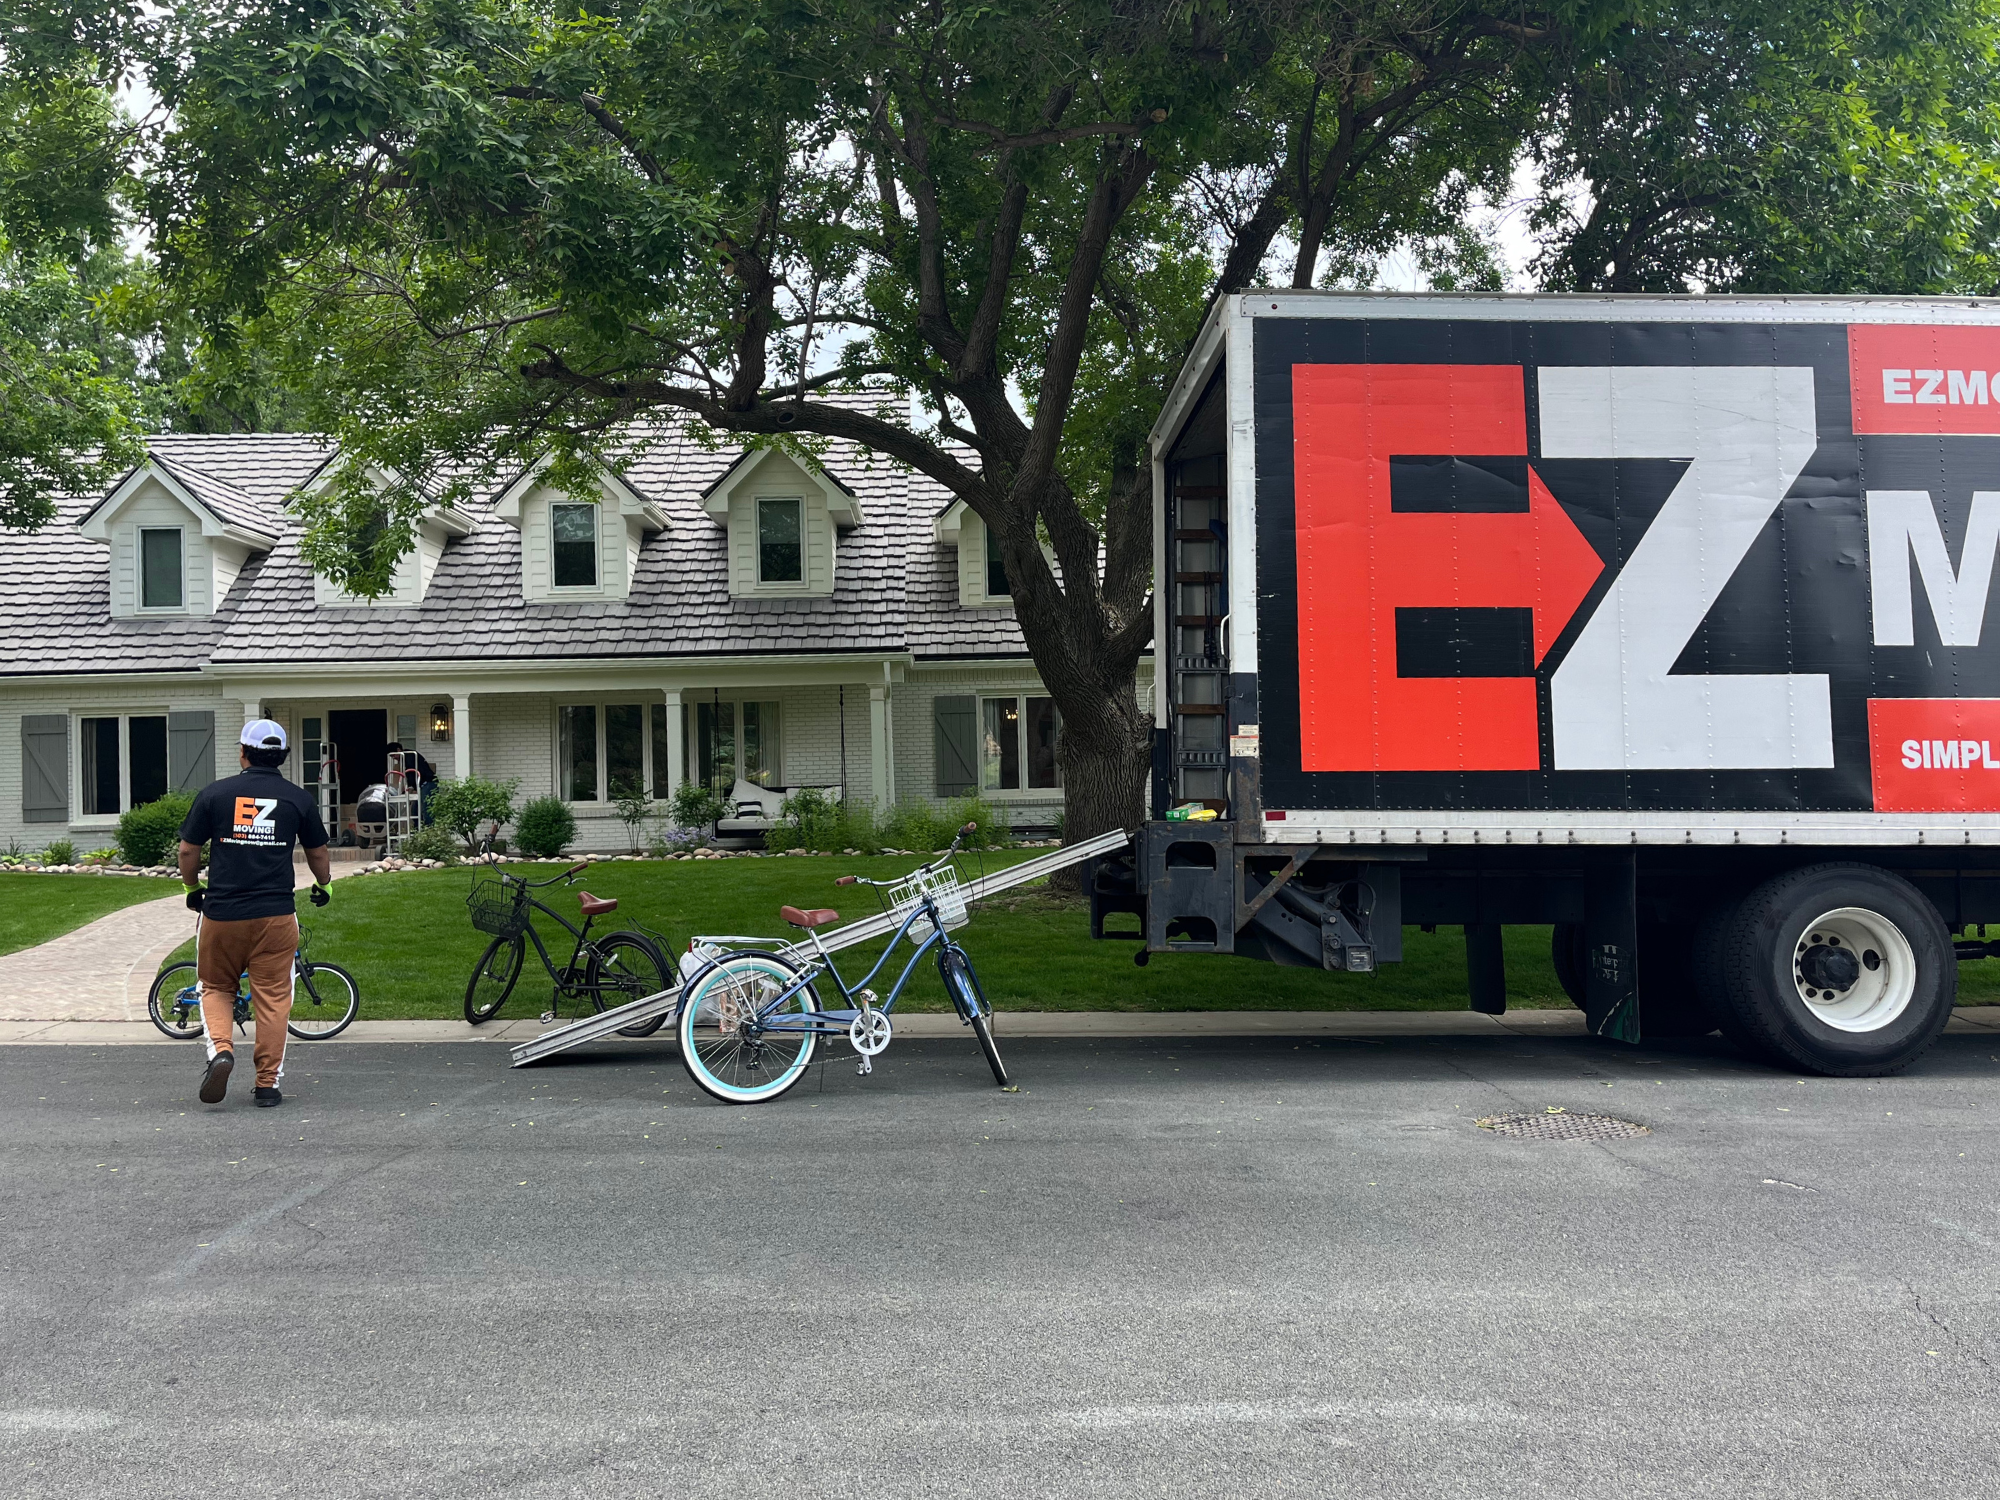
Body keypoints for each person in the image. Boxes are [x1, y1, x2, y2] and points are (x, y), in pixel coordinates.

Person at [177, 719, 332, 1108]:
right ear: (281, 756)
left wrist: (191, 888)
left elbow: (187, 850)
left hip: (222, 913)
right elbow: (318, 852)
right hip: (276, 916)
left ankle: (222, 1052)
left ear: (242, 752)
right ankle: (267, 1085)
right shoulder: (298, 798)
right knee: (274, 998)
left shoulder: (215, 794)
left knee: (215, 987)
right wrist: (324, 885)